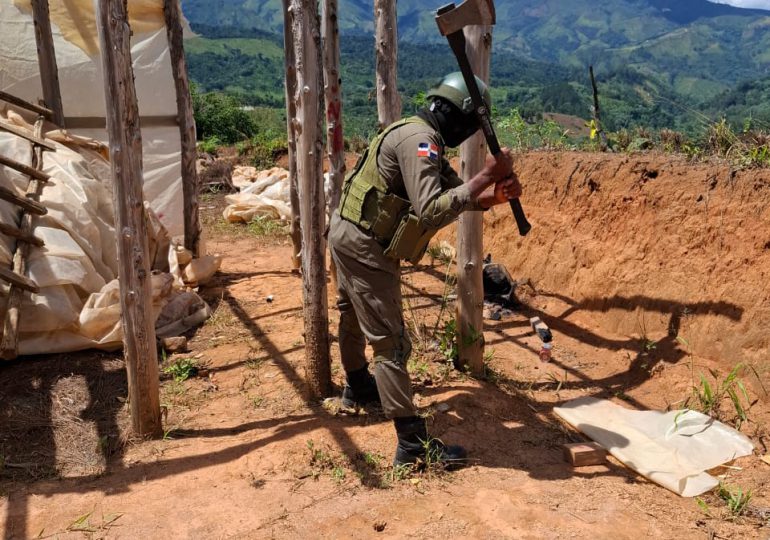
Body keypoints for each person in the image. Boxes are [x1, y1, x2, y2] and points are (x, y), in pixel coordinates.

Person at [328, 72, 522, 468]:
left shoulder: (410, 131)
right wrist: (488, 172)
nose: (465, 135)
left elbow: (456, 195)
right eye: (467, 127)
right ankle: (412, 447)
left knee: (351, 314)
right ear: (453, 114)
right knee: (391, 343)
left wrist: (495, 196)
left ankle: (358, 385)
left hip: (346, 232)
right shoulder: (422, 142)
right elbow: (432, 208)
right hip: (367, 247)